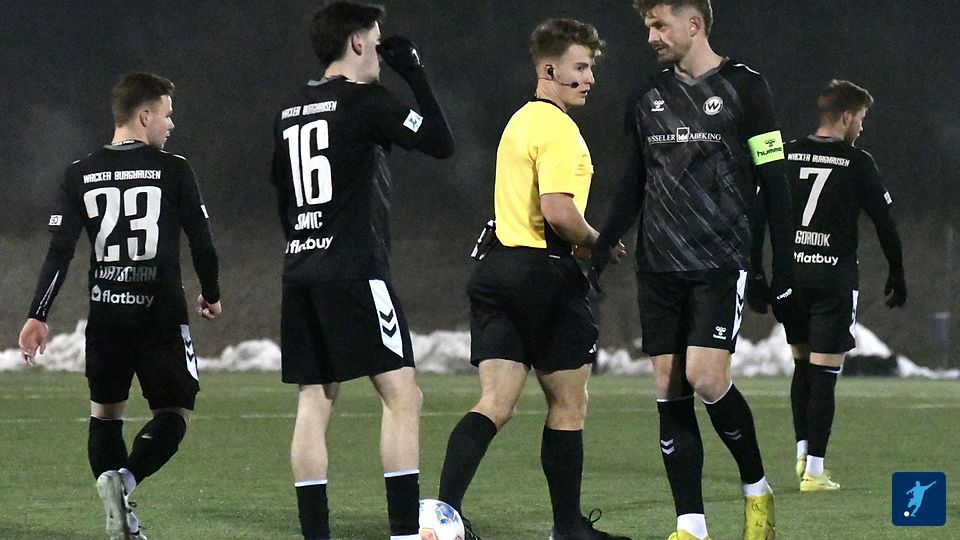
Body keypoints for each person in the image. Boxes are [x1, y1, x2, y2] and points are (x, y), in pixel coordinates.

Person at [590, 1, 797, 539]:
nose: (651, 36)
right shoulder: (646, 96)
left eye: (659, 25)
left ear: (694, 24)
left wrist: (780, 263)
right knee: (667, 386)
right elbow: (632, 184)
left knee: (706, 377)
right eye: (647, 26)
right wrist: (601, 249)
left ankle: (757, 490)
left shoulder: (746, 86)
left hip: (719, 260)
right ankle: (691, 525)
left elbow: (774, 179)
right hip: (658, 264)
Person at [436, 18, 629, 540]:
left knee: (494, 404)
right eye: (580, 67)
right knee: (568, 404)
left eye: (591, 67)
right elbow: (558, 211)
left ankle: (442, 515)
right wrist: (601, 243)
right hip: (544, 275)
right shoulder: (559, 128)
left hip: (497, 268)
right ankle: (567, 528)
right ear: (549, 70)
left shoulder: (518, 121)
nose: (590, 78)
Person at [270, 2, 454, 539]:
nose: (379, 49)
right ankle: (404, 532)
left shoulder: (289, 109)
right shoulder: (366, 101)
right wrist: (414, 73)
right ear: (356, 43)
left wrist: (306, 241)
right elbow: (440, 142)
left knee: (315, 400)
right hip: (355, 270)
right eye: (375, 39)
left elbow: (282, 192)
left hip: (301, 269)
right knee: (403, 396)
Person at [18, 72, 221, 540]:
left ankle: (122, 520)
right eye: (166, 114)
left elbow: (60, 251)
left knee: (105, 416)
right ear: (144, 115)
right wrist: (211, 293)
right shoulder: (174, 169)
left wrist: (38, 314)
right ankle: (125, 481)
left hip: (107, 317)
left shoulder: (79, 173)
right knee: (175, 412)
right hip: (160, 316)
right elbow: (203, 243)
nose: (171, 124)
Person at [777, 80, 905, 492]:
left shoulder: (788, 152)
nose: (862, 127)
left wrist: (762, 273)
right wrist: (896, 271)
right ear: (847, 117)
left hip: (793, 277)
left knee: (802, 367)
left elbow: (762, 211)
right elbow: (884, 222)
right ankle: (815, 472)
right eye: (862, 119)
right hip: (832, 278)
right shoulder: (857, 161)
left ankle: (802, 454)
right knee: (825, 374)